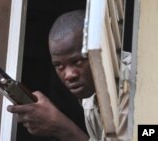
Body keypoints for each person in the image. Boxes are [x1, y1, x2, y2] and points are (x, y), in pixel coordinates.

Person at [7, 10, 126, 141]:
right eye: (59, 66)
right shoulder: (89, 100)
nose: (69, 75)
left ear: (99, 50)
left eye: (77, 61)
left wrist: (60, 127)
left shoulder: (130, 83)